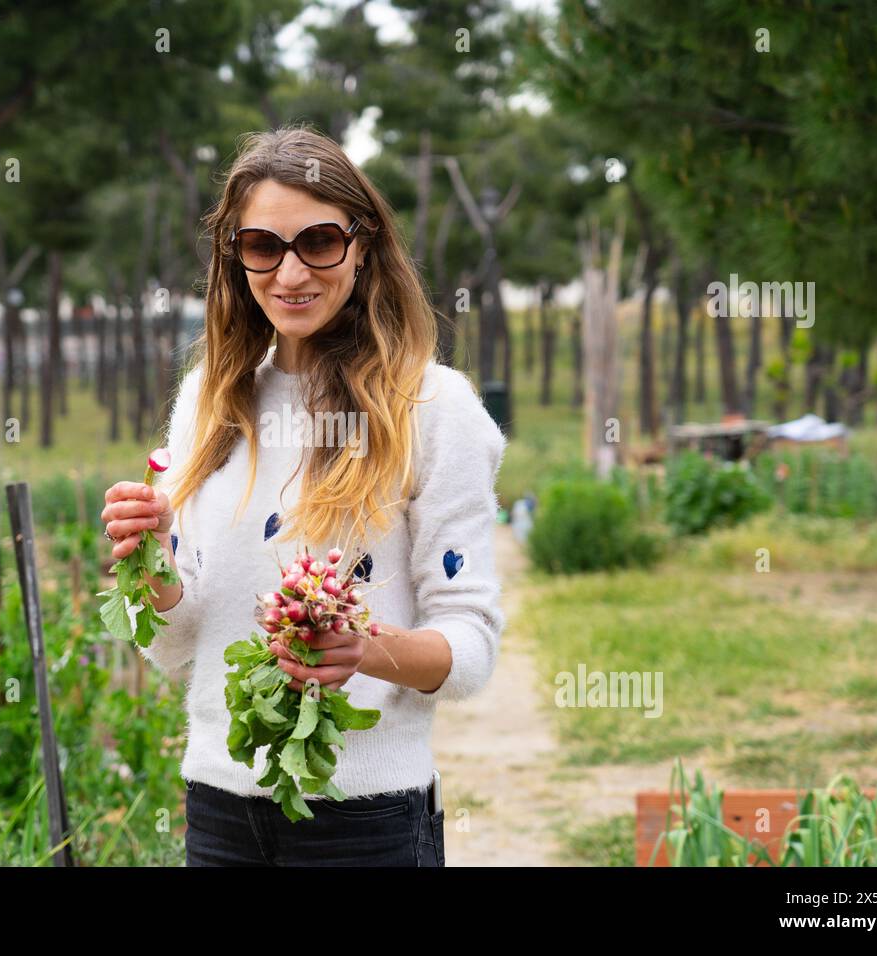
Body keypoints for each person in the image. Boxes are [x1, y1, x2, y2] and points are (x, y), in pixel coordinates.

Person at [100, 126, 507, 866]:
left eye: (318, 241)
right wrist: (150, 566)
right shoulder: (207, 400)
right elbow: (177, 646)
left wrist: (364, 651)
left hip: (365, 822)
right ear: (236, 257)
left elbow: (471, 646)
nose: (290, 273)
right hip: (219, 814)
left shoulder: (433, 408)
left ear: (364, 244)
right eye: (262, 246)